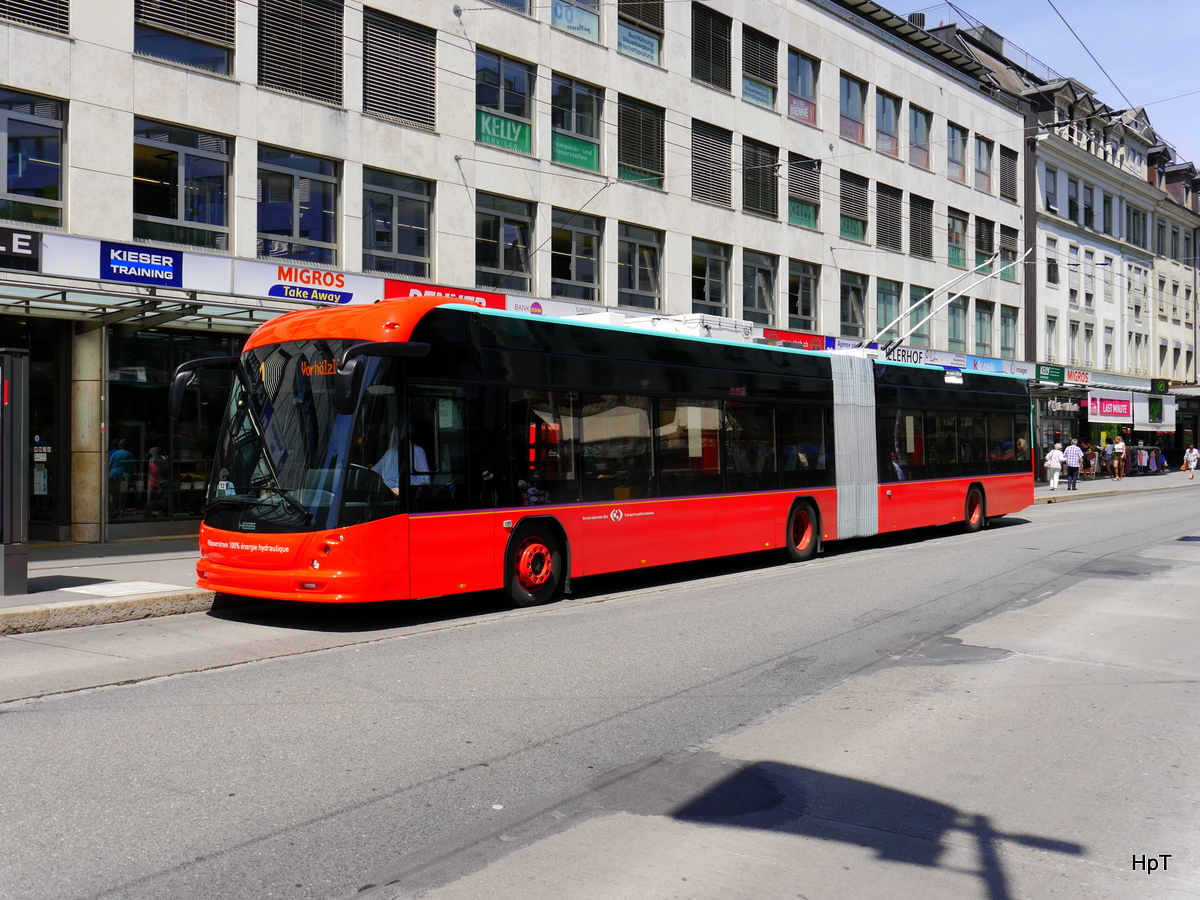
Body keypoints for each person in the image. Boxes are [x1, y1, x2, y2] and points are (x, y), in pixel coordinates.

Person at [108, 438, 133, 517]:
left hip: (113, 474)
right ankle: (121, 511)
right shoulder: (129, 454)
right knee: (123, 494)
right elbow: (132, 466)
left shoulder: (115, 453)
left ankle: (110, 512)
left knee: (113, 495)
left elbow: (109, 465)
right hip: (124, 475)